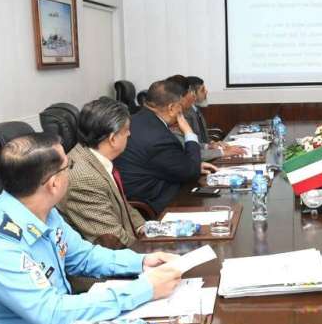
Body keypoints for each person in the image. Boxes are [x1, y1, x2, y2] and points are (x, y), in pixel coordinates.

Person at [0, 133, 182, 324]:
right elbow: (52, 315)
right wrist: (144, 289)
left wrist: (141, 262)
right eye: (68, 166)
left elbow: (83, 256)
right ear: (53, 183)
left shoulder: (43, 211)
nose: (71, 171)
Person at [114, 79, 216, 214]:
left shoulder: (135, 119)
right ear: (172, 108)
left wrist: (189, 164)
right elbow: (190, 173)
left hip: (143, 190)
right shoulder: (159, 136)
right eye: (180, 106)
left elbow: (165, 161)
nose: (182, 111)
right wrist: (188, 132)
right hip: (156, 204)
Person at [58, 97, 145, 249]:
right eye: (126, 131)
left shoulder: (95, 156)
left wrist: (146, 229)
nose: (129, 134)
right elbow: (113, 240)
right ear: (113, 139)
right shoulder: (84, 178)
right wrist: (149, 252)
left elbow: (124, 207)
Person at [168, 75, 245, 161]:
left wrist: (209, 145)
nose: (192, 95)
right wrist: (222, 152)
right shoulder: (179, 117)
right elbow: (189, 151)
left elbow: (192, 144)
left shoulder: (190, 111)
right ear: (180, 97)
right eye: (190, 92)